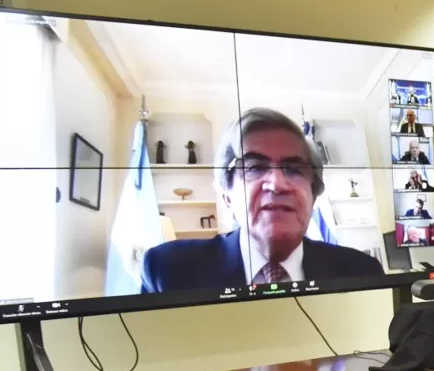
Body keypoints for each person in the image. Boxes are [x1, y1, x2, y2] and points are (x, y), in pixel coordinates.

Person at [142, 109, 382, 292]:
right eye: (254, 167)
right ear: (227, 194)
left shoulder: (362, 273)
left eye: (295, 169)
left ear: (313, 192)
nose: (277, 183)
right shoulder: (167, 271)